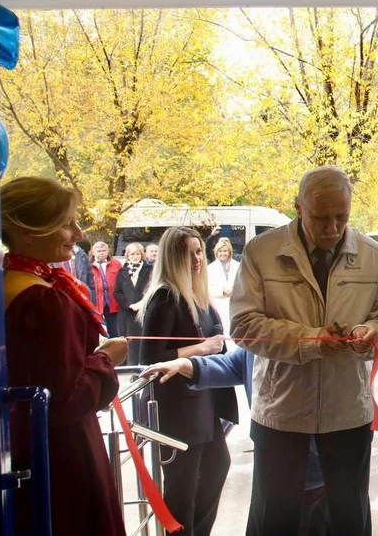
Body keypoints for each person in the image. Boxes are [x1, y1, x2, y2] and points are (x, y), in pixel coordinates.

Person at [231, 165, 378, 536]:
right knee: (274, 518)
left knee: (350, 518)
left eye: (342, 216)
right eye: (321, 218)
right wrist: (311, 340)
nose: (332, 228)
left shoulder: (376, 256)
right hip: (281, 409)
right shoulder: (261, 252)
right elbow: (242, 326)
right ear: (298, 208)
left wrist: (371, 333)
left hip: (348, 409)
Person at [1, 176, 128, 535]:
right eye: (66, 223)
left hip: (23, 448)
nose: (78, 232)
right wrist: (106, 360)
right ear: (28, 232)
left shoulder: (8, 282)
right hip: (63, 455)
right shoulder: (42, 300)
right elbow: (64, 400)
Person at [141, 347, 330, 536]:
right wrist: (188, 365)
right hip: (274, 464)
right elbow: (233, 363)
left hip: (314, 467)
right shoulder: (258, 337)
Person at [140, 226, 237, 536]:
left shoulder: (198, 296)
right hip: (178, 411)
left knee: (216, 468)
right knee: (182, 491)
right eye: (188, 252)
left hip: (204, 405)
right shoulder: (166, 296)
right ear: (172, 256)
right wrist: (202, 348)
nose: (196, 258)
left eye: (199, 251)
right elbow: (152, 355)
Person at [114, 241, 153, 365]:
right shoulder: (121, 272)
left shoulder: (150, 270)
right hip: (126, 315)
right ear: (127, 256)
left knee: (143, 344)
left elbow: (152, 289)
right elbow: (117, 293)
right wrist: (129, 305)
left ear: (142, 255)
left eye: (137, 254)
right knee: (129, 346)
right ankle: (130, 369)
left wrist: (142, 303)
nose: (135, 257)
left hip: (144, 313)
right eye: (132, 254)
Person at [90, 240, 122, 337]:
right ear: (93, 252)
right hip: (95, 303)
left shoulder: (116, 263)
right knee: (94, 331)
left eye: (104, 250)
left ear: (107, 251)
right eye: (99, 251)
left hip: (112, 303)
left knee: (115, 331)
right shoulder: (88, 264)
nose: (101, 253)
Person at [208, 237, 239, 327]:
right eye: (220, 251)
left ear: (229, 252)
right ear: (216, 253)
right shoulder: (210, 268)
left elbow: (243, 284)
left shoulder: (238, 266)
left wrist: (234, 290)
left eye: (225, 251)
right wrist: (222, 291)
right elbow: (207, 288)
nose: (223, 254)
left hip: (234, 304)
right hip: (218, 305)